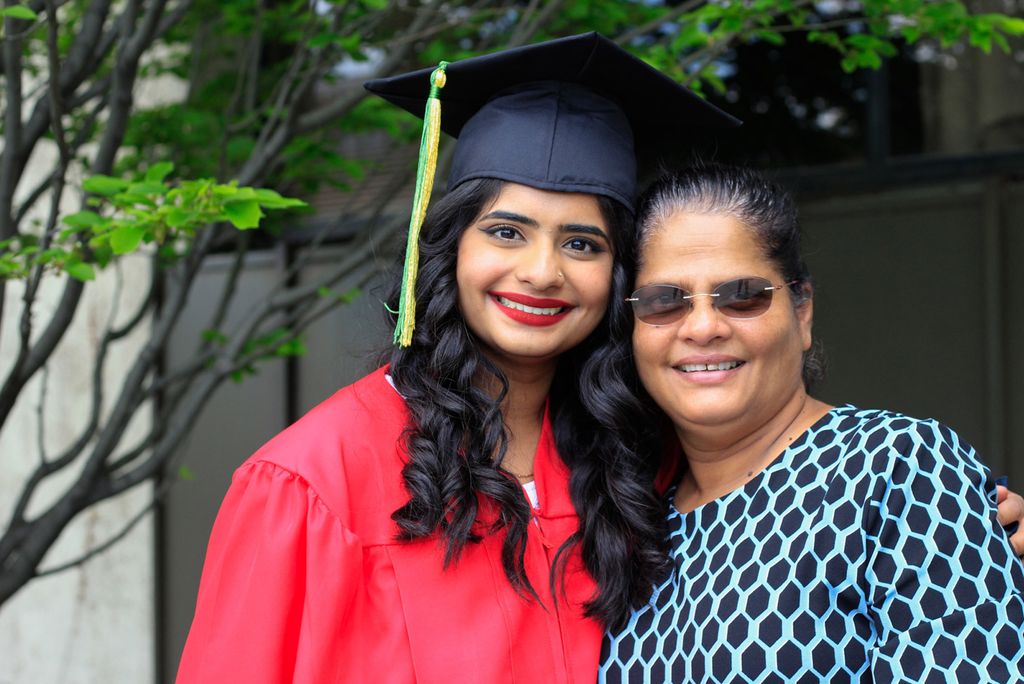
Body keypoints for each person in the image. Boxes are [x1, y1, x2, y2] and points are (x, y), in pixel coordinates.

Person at [175, 33, 739, 683]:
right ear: (450, 246)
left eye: (582, 244)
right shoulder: (311, 482)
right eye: (506, 231)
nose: (541, 272)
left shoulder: (637, 463)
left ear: (617, 274)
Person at [600, 163, 1024, 682]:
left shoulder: (897, 469)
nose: (704, 326)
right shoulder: (632, 520)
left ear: (802, 312)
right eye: (664, 301)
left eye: (742, 295)